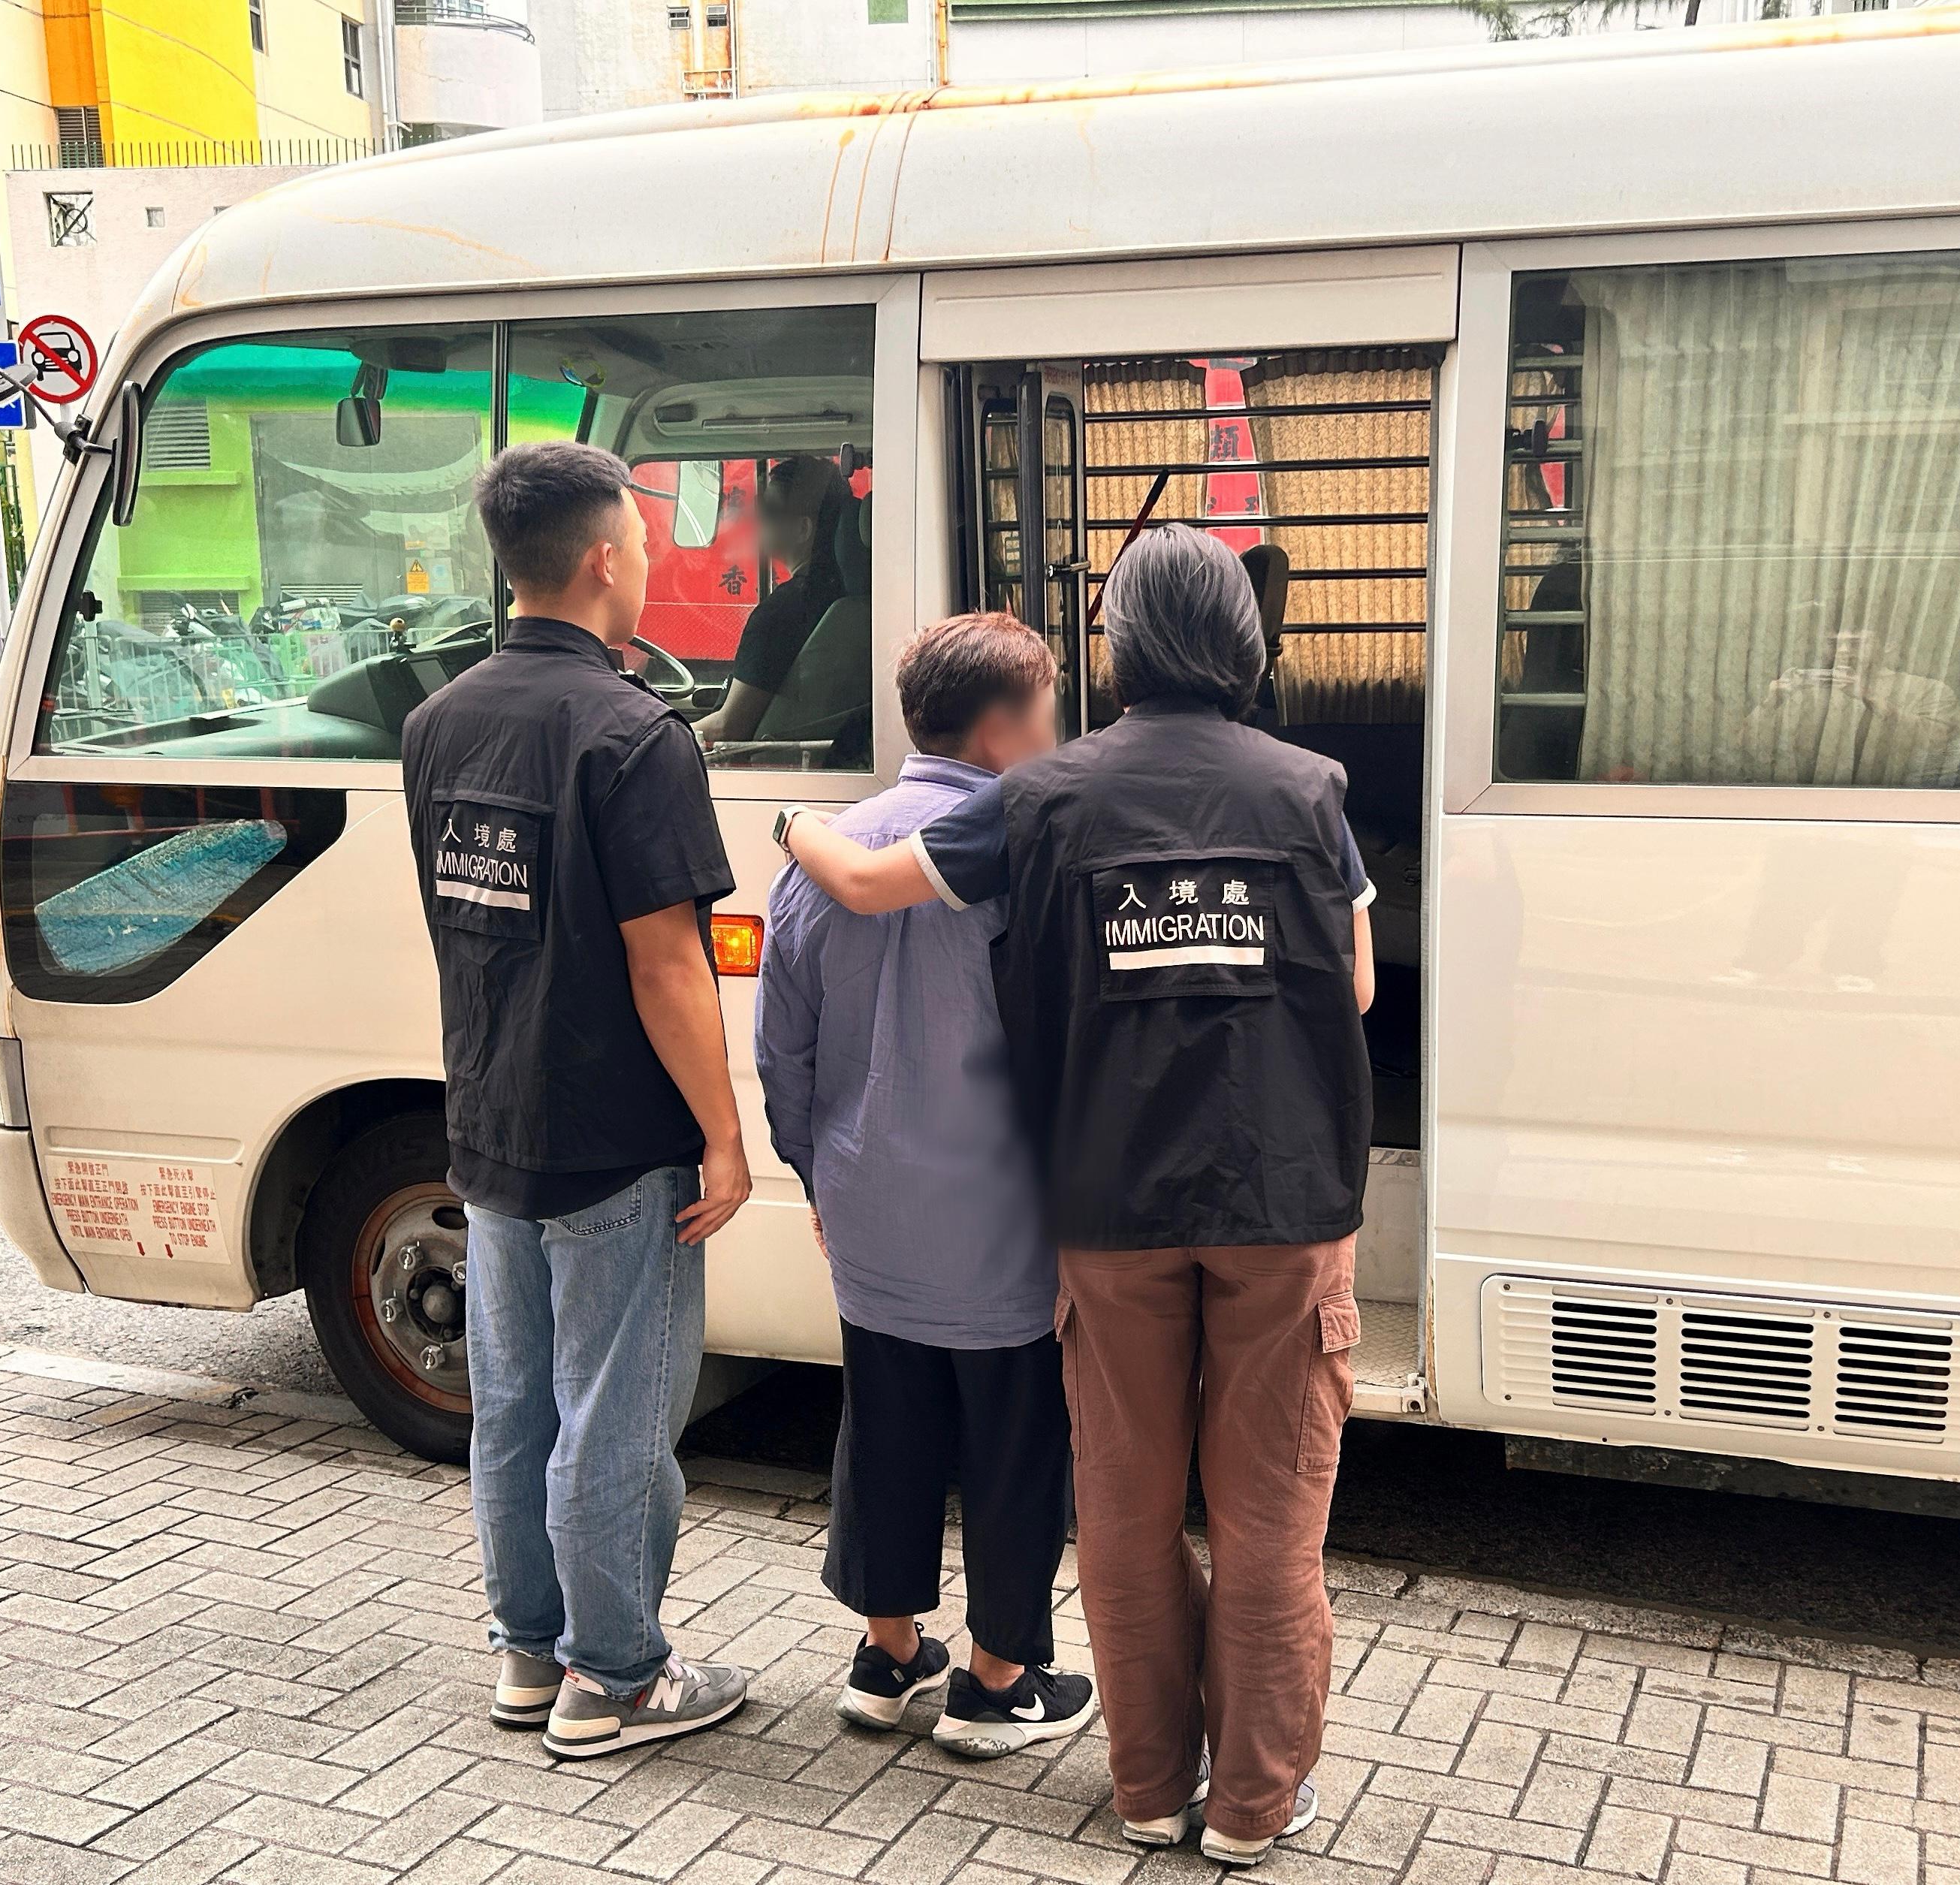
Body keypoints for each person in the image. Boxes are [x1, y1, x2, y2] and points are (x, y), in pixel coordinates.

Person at [773, 524, 1377, 1868]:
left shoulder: (1046, 799)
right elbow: (1354, 988)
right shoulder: (1308, 789)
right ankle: (1253, 1808)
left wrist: (791, 822)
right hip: (1283, 1202)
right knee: (1271, 1516)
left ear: (1111, 643)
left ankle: (1150, 1790)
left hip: (1105, 1206)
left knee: (1123, 1506)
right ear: (1243, 641)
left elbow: (872, 881)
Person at [401, 439, 752, 1760]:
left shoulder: (438, 723)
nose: (654, 559)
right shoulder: (631, 732)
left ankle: (527, 1656)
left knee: (517, 1402)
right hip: (616, 1139)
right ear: (604, 557)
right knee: (613, 1414)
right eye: (645, 541)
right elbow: (666, 964)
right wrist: (722, 1138)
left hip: (492, 1119)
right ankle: (616, 1678)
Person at [756, 611, 1099, 1758]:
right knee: (1013, 1436)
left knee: (887, 1419)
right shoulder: (1021, 853)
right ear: (1003, 730)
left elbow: (781, 1050)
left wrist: (818, 1170)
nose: (1055, 736)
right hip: (999, 1212)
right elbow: (1066, 1044)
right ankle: (998, 1679)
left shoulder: (830, 850)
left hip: (867, 1201)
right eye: (1048, 713)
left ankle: (889, 1651)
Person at [692, 455, 855, 746]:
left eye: (768, 509)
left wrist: (662, 738)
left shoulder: (782, 612)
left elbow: (728, 729)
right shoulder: (847, 599)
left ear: (801, 530)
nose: (756, 517)